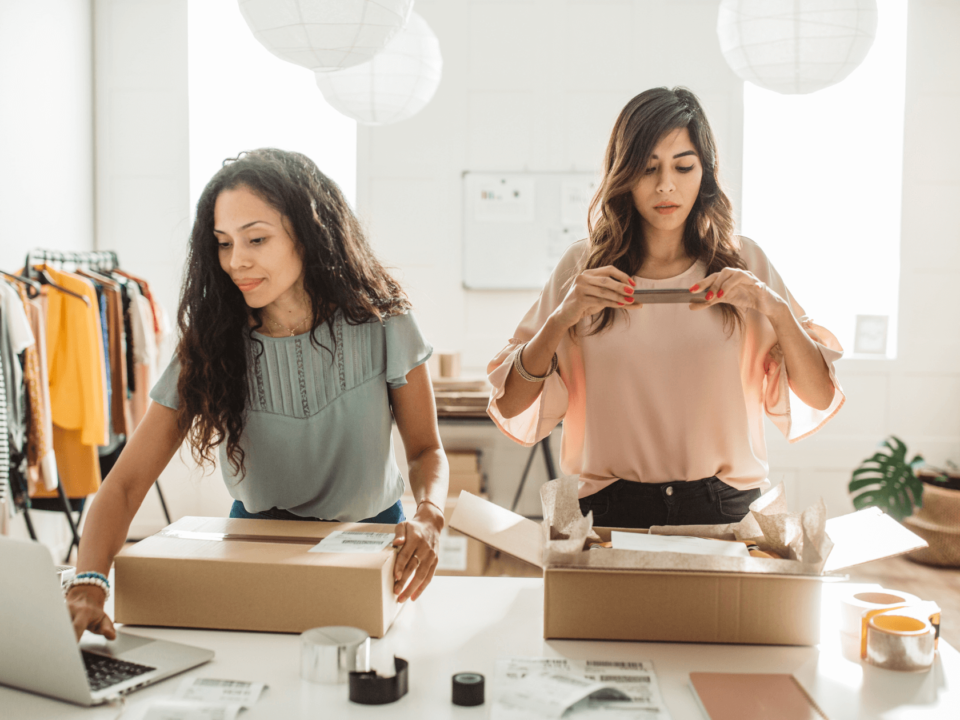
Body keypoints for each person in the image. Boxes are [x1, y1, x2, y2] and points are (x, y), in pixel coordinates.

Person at [67, 148, 448, 640]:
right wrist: (88, 581)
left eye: (257, 239)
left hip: (373, 542)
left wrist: (430, 515)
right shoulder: (211, 341)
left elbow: (425, 449)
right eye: (223, 243)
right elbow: (123, 485)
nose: (235, 261)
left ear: (309, 235)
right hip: (254, 540)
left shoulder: (384, 321)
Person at [488, 87, 844, 529]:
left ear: (705, 172)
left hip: (727, 509)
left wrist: (774, 308)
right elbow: (510, 405)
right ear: (624, 174)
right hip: (610, 510)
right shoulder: (582, 268)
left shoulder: (745, 263)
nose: (665, 185)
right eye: (647, 167)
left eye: (683, 165)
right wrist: (562, 317)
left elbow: (819, 394)